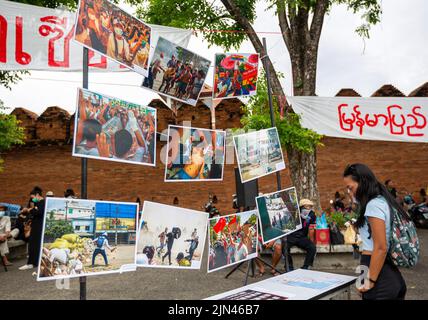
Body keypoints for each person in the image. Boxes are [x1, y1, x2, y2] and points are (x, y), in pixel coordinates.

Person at [344, 163, 407, 300]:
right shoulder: (380, 201)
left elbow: (380, 247)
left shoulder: (374, 205)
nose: (349, 192)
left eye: (350, 188)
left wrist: (370, 280)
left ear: (362, 183)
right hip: (382, 269)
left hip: (376, 269)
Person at [285, 199, 317, 271]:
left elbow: (311, 229)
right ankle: (289, 266)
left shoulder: (312, 214)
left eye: (310, 206)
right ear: (301, 206)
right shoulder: (294, 213)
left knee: (312, 247)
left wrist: (311, 242)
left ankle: (306, 267)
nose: (308, 208)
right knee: (285, 247)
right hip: (291, 236)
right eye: (306, 206)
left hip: (302, 237)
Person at [19, 187, 45, 270]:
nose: (32, 200)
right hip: (36, 226)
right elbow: (35, 212)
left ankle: (32, 263)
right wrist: (32, 210)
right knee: (33, 245)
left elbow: (38, 212)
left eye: (33, 197)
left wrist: (30, 210)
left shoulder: (43, 203)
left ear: (37, 195)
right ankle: (32, 262)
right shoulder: (39, 203)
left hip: (39, 227)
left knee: (34, 245)